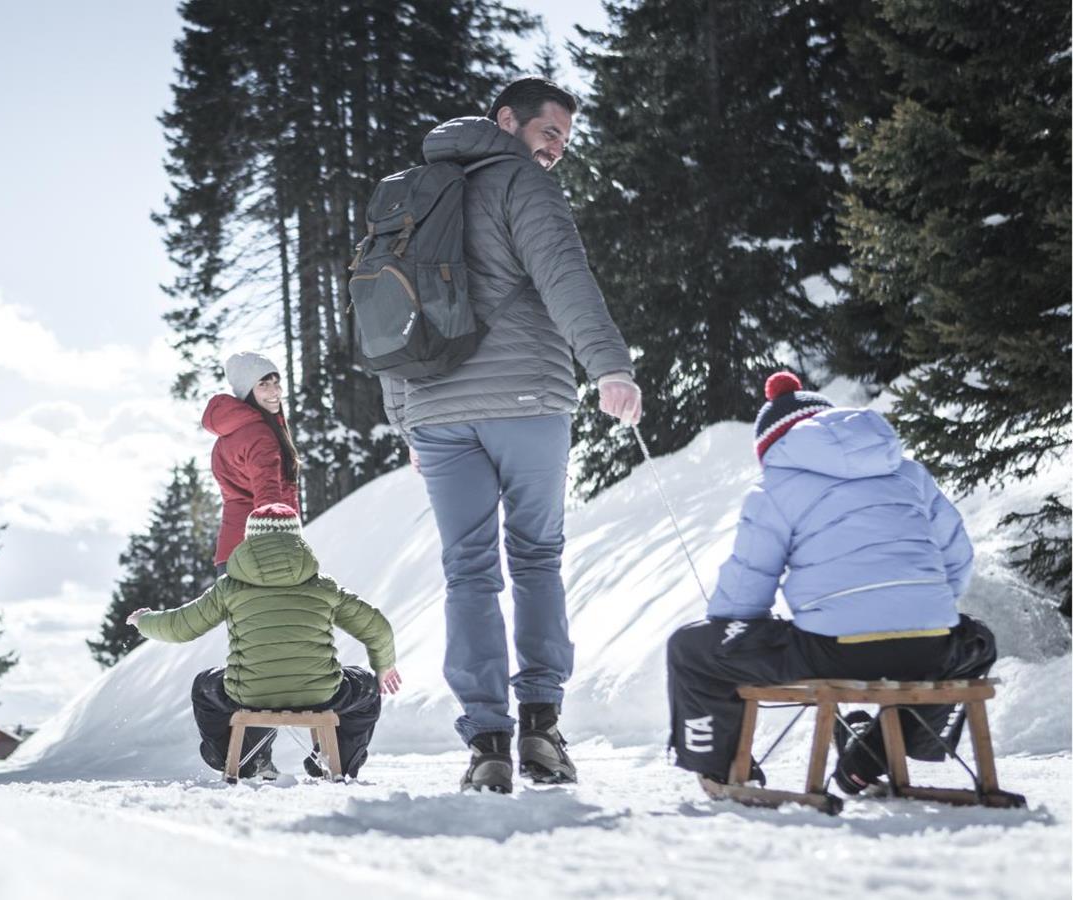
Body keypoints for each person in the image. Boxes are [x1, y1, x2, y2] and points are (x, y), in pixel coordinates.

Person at [379, 75, 640, 792]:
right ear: (507, 121)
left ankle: (487, 741)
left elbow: (387, 312)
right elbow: (565, 277)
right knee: (534, 558)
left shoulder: (411, 191)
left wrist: (406, 416)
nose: (556, 150)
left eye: (563, 139)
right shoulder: (520, 183)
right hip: (526, 398)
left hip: (435, 411)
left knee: (468, 570)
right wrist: (609, 367)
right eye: (549, 132)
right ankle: (541, 732)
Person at [666, 373, 997, 794]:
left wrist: (734, 631)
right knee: (978, 639)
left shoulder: (775, 486)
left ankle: (723, 768)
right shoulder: (909, 473)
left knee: (691, 649)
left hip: (835, 652)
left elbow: (748, 585)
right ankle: (873, 753)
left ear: (773, 446)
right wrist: (914, 611)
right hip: (929, 646)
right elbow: (957, 558)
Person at [129, 504, 400, 780]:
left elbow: (180, 627)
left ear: (250, 539)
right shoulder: (324, 587)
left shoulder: (229, 588)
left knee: (204, 686)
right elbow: (377, 628)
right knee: (366, 686)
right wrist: (384, 667)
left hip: (249, 693)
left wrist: (145, 621)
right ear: (298, 539)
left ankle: (236, 758)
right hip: (320, 692)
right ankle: (336, 758)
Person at [205, 351, 301, 577]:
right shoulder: (261, 435)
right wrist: (279, 551)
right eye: (263, 384)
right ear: (248, 391)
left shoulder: (228, 435)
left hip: (230, 555)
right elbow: (268, 498)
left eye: (276, 382)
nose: (275, 391)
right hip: (259, 554)